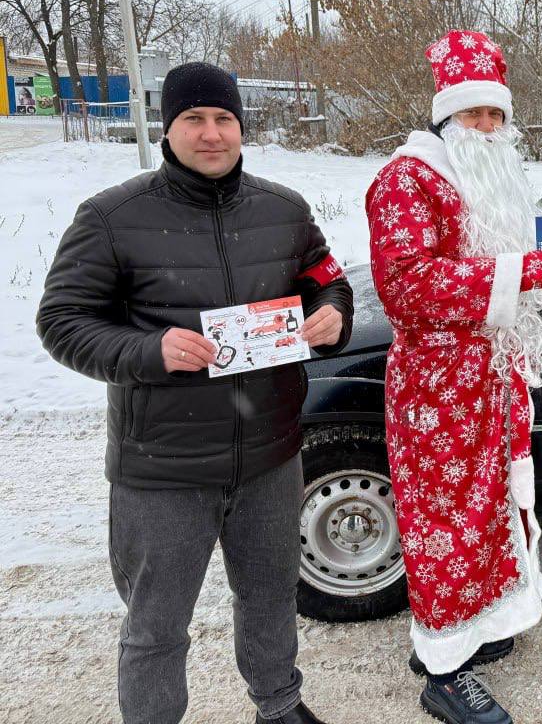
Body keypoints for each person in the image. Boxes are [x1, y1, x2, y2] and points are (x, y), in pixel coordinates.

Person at [35, 61, 354, 724]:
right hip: (164, 469)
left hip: (271, 453)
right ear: (167, 128)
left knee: (268, 595)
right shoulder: (112, 218)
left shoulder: (284, 210)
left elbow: (328, 281)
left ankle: (280, 704)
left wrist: (333, 315)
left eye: (223, 119)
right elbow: (62, 322)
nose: (211, 134)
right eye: (193, 119)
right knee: (158, 625)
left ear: (240, 126)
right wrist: (149, 351)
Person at [365, 30, 542, 724]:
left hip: (490, 382)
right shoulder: (407, 178)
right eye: (473, 114)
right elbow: (407, 284)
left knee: (489, 517)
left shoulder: (481, 181)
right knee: (446, 526)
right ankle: (443, 674)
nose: (486, 126)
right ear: (446, 116)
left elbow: (506, 260)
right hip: (438, 392)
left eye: (496, 115)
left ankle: (470, 633)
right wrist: (519, 274)